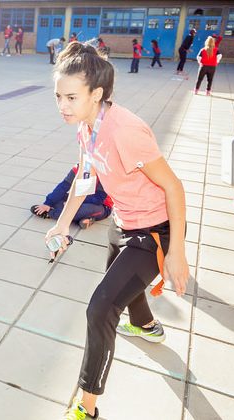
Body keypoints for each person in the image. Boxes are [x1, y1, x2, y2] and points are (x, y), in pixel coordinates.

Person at [45, 42, 189, 419]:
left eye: (71, 97)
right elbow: (84, 178)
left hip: (155, 232)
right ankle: (146, 325)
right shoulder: (87, 127)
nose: (63, 105)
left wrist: (177, 253)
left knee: (100, 309)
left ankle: (87, 405)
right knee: (124, 288)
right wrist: (62, 224)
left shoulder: (125, 130)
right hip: (123, 223)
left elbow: (174, 187)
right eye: (58, 96)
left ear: (97, 94)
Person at [30, 163, 113, 228]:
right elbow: (63, 186)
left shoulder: (104, 173)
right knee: (58, 197)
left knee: (79, 210)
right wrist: (47, 203)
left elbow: (98, 199)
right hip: (79, 197)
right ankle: (84, 219)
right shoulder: (78, 167)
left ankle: (50, 213)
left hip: (101, 206)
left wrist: (73, 202)